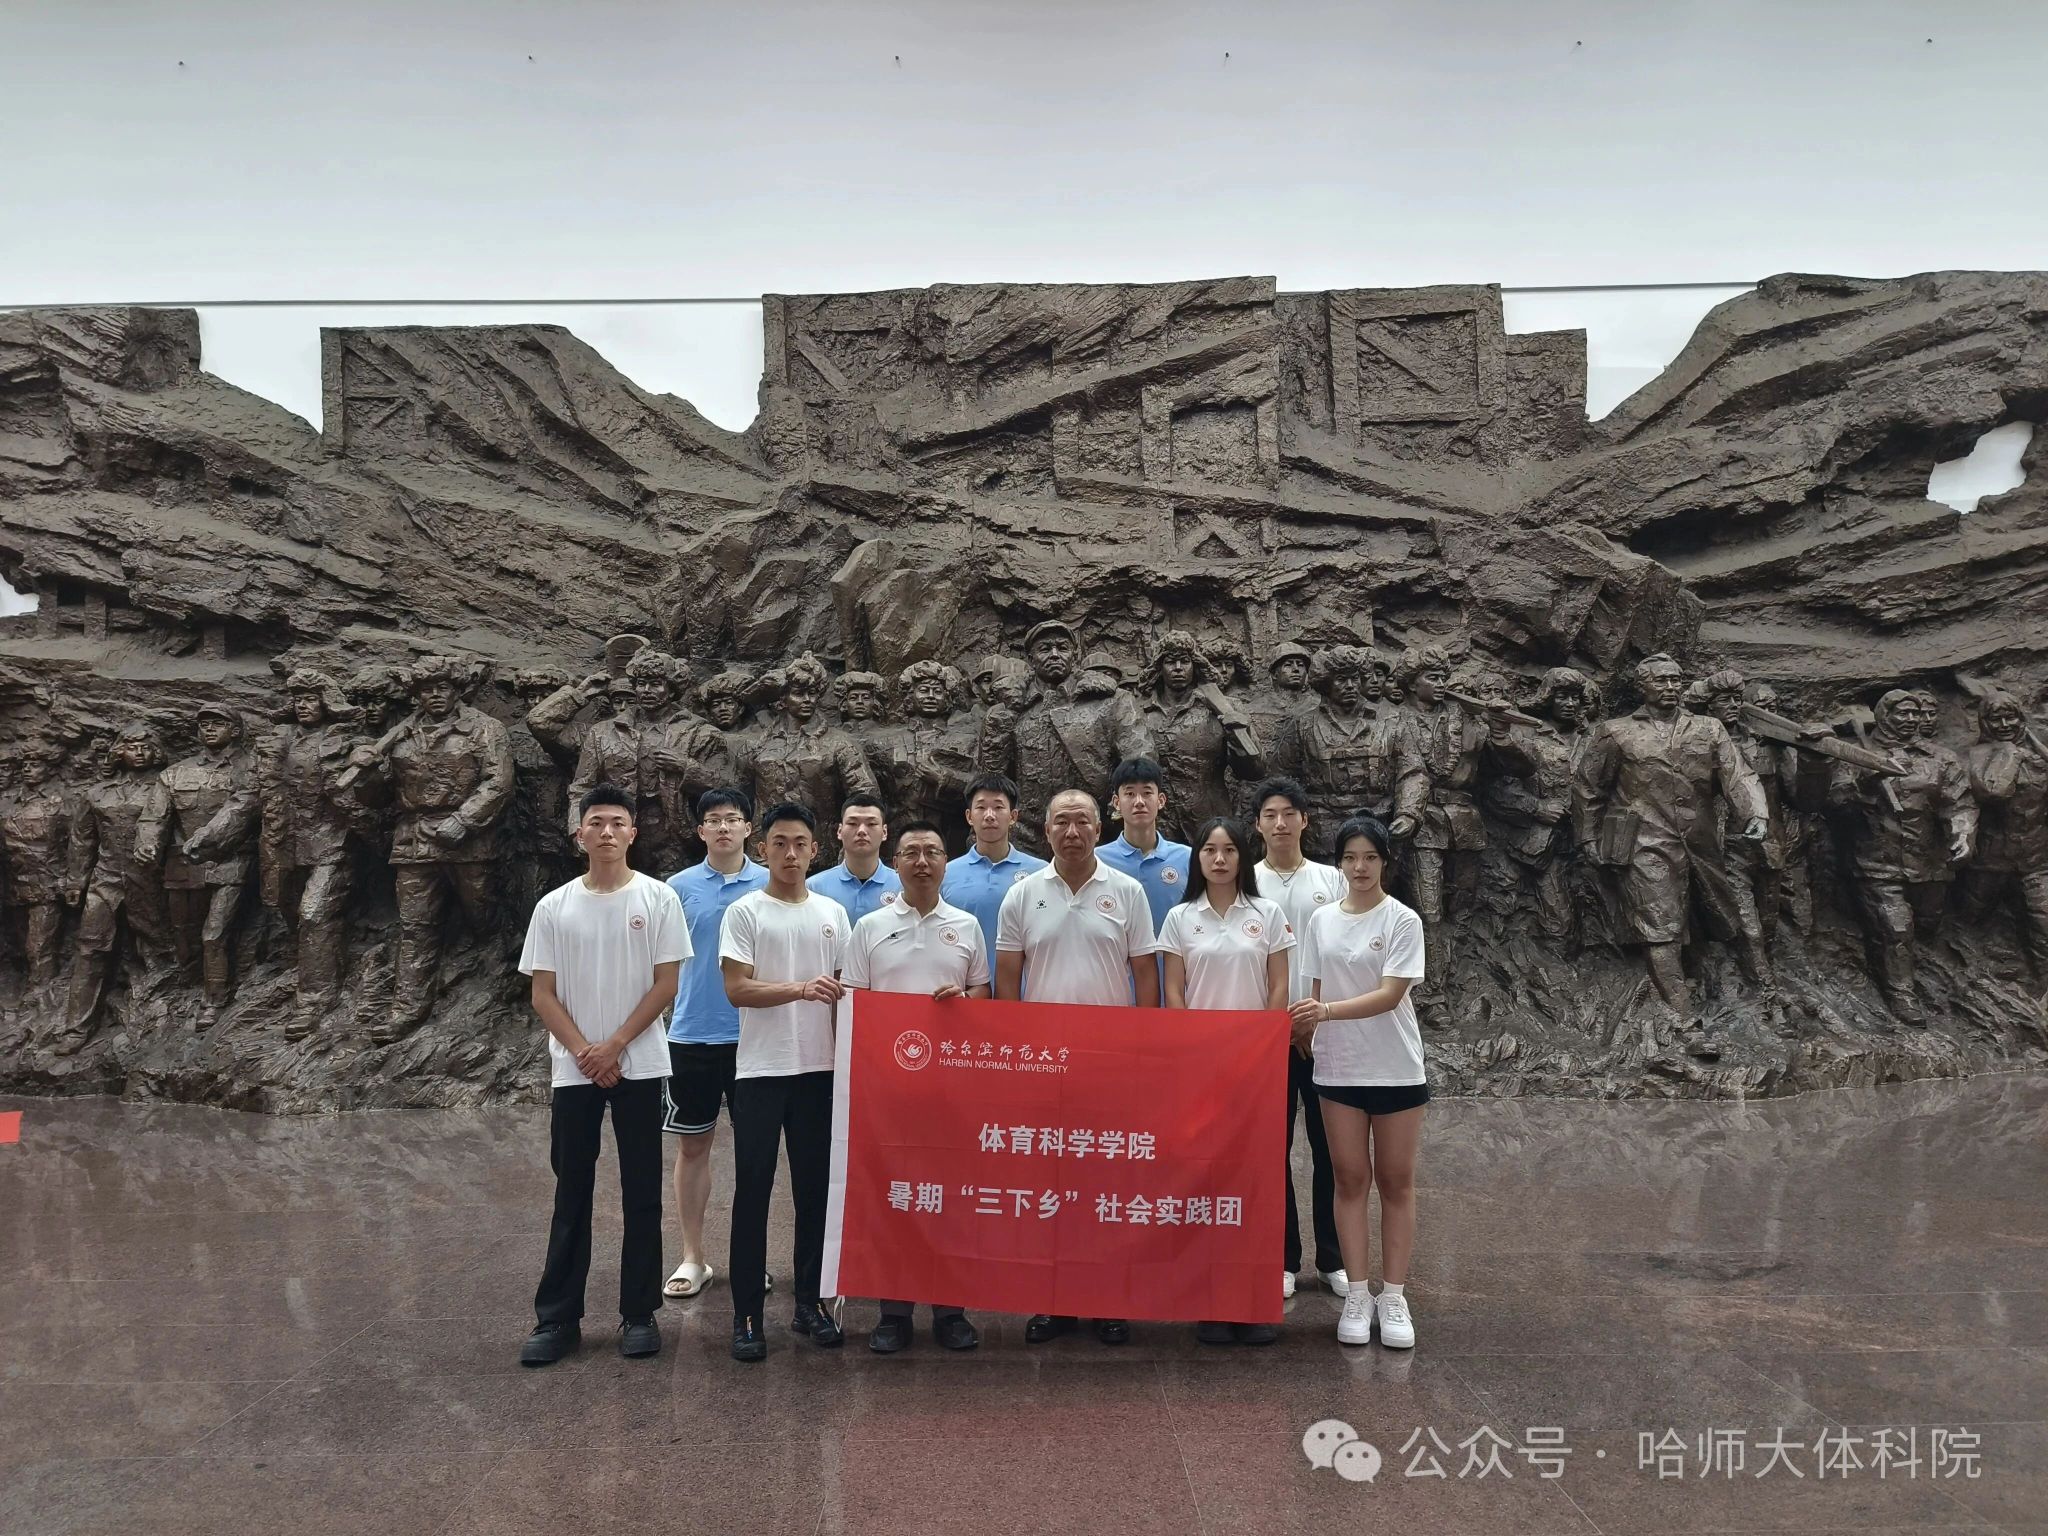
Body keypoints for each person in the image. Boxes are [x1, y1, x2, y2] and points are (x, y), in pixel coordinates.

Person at [518, 784, 687, 1367]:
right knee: (572, 1191)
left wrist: (614, 1046)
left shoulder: (659, 898)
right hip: (574, 1069)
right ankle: (557, 1317)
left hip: (639, 1063)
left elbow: (666, 984)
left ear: (633, 833)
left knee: (642, 1191)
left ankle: (639, 1313)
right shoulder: (554, 906)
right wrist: (585, 1052)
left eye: (618, 822)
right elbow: (542, 994)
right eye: (597, 822)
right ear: (580, 835)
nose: (607, 831)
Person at [995, 787, 1159, 1346]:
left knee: (1109, 1182)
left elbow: (1145, 975)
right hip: (1044, 1065)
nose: (1072, 831)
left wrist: (1142, 1050)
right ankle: (1054, 1300)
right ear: (1045, 831)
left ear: (1098, 827)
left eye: (1082, 821)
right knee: (1050, 1185)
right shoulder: (1022, 894)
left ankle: (1108, 1298)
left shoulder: (1128, 890)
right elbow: (1008, 979)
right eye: (1061, 822)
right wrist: (1017, 1056)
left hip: (1110, 1063)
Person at [843, 818, 989, 1353]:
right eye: (911, 853)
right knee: (895, 1195)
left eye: (932, 852)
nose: (922, 862)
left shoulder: (967, 926)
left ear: (947, 862)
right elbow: (853, 1004)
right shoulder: (870, 927)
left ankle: (951, 1310)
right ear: (896, 862)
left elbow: (984, 995)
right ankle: (894, 1312)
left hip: (952, 1089)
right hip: (889, 1089)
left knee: (950, 1196)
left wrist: (965, 1003)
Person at [1291, 816, 1427, 1351]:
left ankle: (1394, 1295)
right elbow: (1313, 985)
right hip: (1338, 1068)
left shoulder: (1402, 920)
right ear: (1340, 864)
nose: (1359, 867)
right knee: (1349, 1180)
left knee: (1395, 1180)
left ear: (1384, 862)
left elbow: (1391, 995)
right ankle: (1357, 1293)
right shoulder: (1321, 920)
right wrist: (1307, 1026)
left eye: (1370, 857)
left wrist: (1323, 1013)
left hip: (1394, 1067)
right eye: (1350, 858)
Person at [721, 802, 851, 1361]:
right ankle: (747, 1314)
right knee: (752, 1193)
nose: (790, 853)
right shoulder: (745, 912)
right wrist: (799, 989)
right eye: (779, 843)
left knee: (815, 1194)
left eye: (800, 843)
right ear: (763, 849)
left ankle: (810, 1304)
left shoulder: (833, 913)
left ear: (816, 850)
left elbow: (847, 994)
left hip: (818, 1072)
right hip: (761, 1071)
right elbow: (737, 989)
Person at [1158, 815, 1292, 1347]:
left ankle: (1252, 1303)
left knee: (1254, 1182)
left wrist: (1263, 1046)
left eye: (1229, 850)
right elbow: (1174, 992)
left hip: (1255, 1069)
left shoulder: (1267, 913)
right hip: (1200, 1070)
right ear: (1197, 858)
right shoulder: (1179, 917)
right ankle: (1211, 1301)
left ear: (1242, 857)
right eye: (1209, 850)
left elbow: (1278, 987)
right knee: (1206, 1181)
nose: (1219, 859)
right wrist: (1192, 1052)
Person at [659, 787, 769, 1302]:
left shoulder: (771, 884)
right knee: (692, 1146)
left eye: (733, 818)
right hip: (693, 1034)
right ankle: (692, 1256)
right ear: (700, 831)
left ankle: (751, 1260)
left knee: (757, 1152)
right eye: (714, 820)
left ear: (749, 828)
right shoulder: (676, 889)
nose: (724, 827)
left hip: (756, 1035)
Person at [1251, 777, 1350, 1300]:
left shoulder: (1331, 880)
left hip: (1322, 1035)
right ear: (1258, 824)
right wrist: (1275, 1024)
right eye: (1270, 814)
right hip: (1265, 1039)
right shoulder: (1246, 881)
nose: (1281, 823)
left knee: (1331, 1148)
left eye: (1289, 813)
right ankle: (1283, 1257)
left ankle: (1333, 1257)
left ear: (1305, 820)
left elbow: (1341, 951)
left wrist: (1314, 1017)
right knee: (1272, 1151)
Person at [940, 771, 1046, 955]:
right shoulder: (945, 874)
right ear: (969, 816)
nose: (989, 815)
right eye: (981, 807)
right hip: (965, 973)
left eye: (998, 807)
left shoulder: (1041, 872)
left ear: (1013, 816)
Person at [1098, 756, 1193, 937]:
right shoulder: (1098, 860)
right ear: (1116, 802)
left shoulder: (1188, 858)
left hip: (1173, 955)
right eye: (1130, 794)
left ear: (1161, 800)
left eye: (1147, 793)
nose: (1139, 801)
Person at [808, 792, 903, 921]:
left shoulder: (903, 886)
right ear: (840, 831)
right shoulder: (814, 887)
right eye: (853, 823)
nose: (861, 831)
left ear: (884, 832)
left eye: (871, 824)